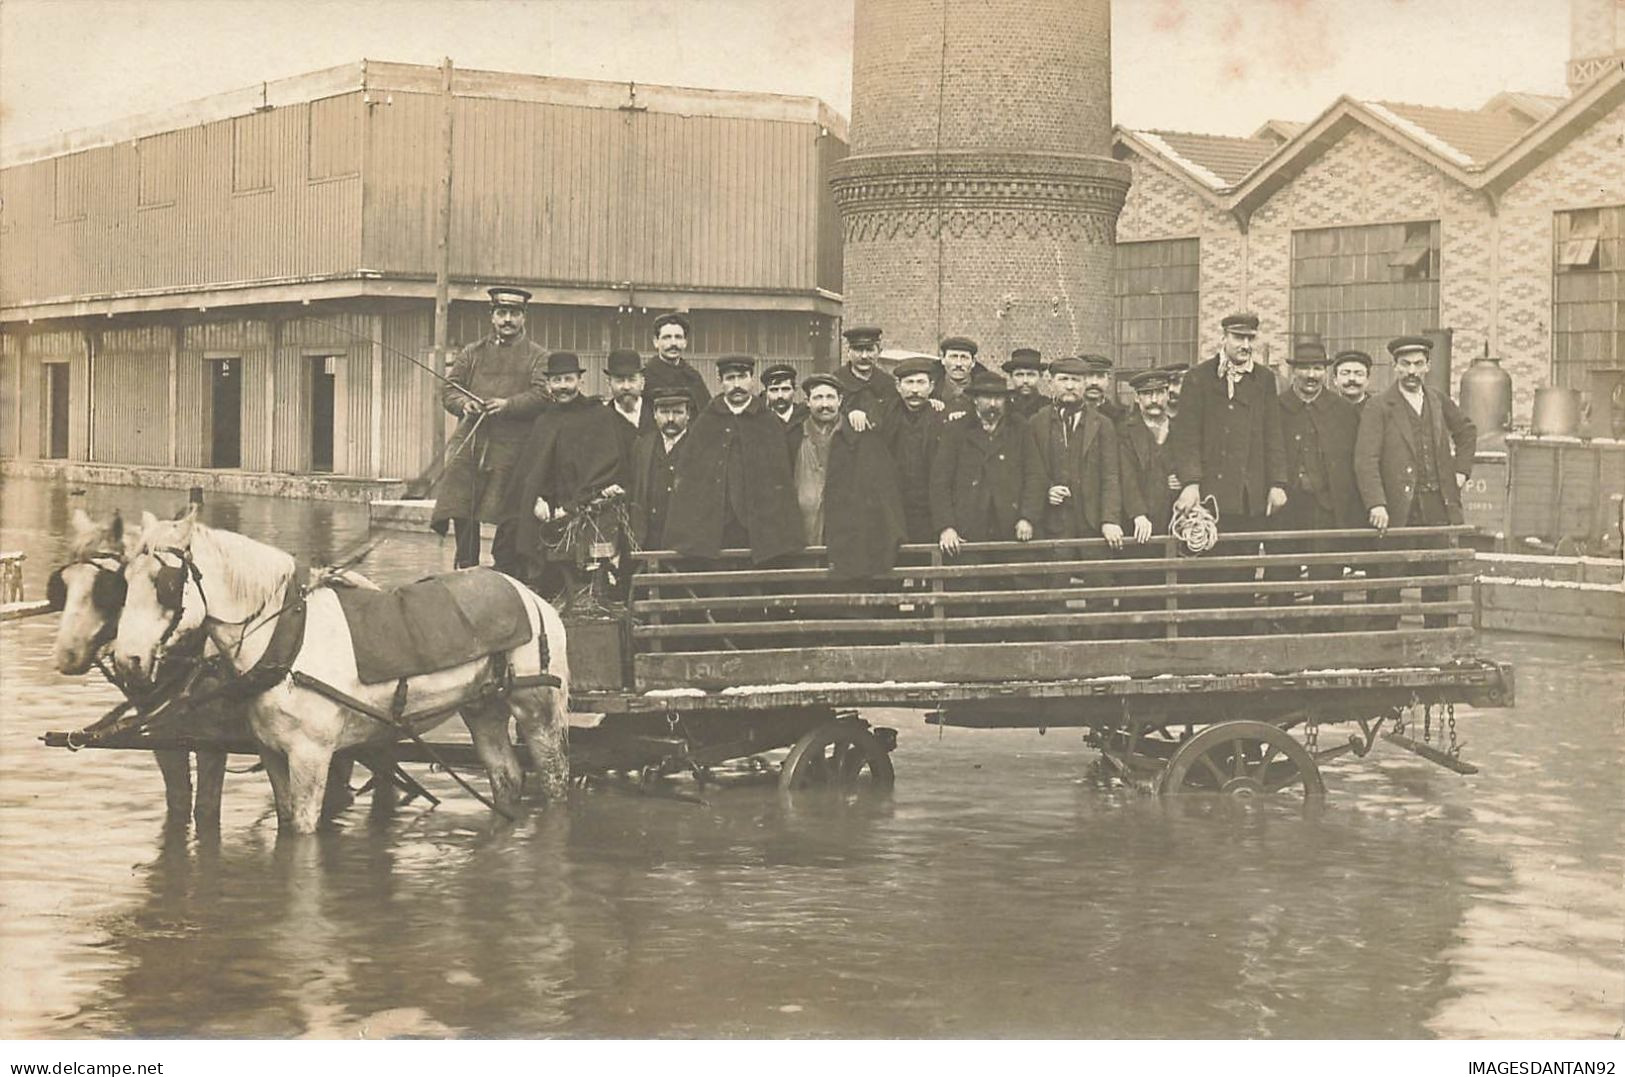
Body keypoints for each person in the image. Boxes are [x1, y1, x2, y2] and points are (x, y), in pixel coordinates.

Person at [1168, 312, 1288, 631]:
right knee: (1205, 574)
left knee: (1242, 574)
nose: (1245, 345)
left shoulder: (1263, 380)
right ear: (1223, 338)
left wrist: (1277, 483)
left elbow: (1274, 433)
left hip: (1248, 498)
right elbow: (1186, 435)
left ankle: (1236, 647)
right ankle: (1202, 648)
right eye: (1239, 338)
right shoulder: (1199, 378)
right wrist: (1191, 483)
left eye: (1250, 339)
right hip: (1210, 499)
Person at [1355, 336, 1477, 628]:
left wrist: (1460, 472)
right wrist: (1377, 503)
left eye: (1418, 364)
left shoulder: (1437, 400)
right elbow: (1365, 459)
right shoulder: (1380, 406)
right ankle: (1384, 650)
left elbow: (1467, 432)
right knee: (1387, 584)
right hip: (1397, 510)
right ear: (1395, 367)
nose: (1412, 371)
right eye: (1405, 364)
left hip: (1438, 507)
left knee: (1437, 583)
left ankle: (1437, 648)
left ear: (1428, 366)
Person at [431, 286, 550, 571]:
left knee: (508, 510)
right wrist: (464, 405)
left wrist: (507, 405)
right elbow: (450, 390)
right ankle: (465, 567)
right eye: (502, 313)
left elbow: (542, 394)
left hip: (513, 446)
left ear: (524, 318)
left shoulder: (538, 356)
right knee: (462, 505)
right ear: (492, 317)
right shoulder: (471, 353)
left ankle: (505, 570)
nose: (507, 319)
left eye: (514, 314)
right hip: (471, 441)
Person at [505, 351, 626, 600]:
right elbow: (532, 473)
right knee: (513, 534)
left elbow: (607, 466)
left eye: (568, 380)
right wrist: (536, 499)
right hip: (547, 512)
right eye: (557, 381)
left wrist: (574, 506)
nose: (563, 387)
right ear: (548, 384)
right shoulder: (544, 421)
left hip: (587, 510)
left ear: (580, 382)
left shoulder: (599, 416)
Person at [663, 355, 805, 564]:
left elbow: (780, 478)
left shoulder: (768, 422)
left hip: (759, 529)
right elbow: (690, 477)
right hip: (716, 528)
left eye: (742, 377)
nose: (736, 385)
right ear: (720, 381)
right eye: (730, 378)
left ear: (752, 380)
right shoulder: (706, 421)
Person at [1268, 339, 1364, 628]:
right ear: (1293, 371)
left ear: (1325, 372)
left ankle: (1327, 636)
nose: (1311, 376)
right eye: (1304, 369)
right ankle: (1281, 634)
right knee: (1281, 574)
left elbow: (1353, 463)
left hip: (1326, 508)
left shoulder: (1342, 411)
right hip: (1286, 509)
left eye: (1318, 368)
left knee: (1327, 575)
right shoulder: (1276, 408)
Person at [787, 373, 906, 578]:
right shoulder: (793, 437)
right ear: (807, 402)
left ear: (840, 401)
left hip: (847, 538)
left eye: (830, 397)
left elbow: (883, 491)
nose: (825, 404)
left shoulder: (861, 437)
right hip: (803, 532)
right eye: (818, 398)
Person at [930, 366, 1043, 553]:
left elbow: (1035, 475)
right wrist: (946, 526)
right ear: (975, 400)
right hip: (967, 528)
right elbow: (940, 482)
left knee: (1013, 580)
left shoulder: (1019, 429)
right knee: (969, 580)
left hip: (1012, 528)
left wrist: (1028, 517)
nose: (993, 403)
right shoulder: (956, 430)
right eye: (987, 398)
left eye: (999, 398)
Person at [1027, 355, 1123, 546]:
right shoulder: (1036, 423)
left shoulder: (1103, 425)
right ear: (1050, 382)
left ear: (1085, 383)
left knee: (1099, 575)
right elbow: (1030, 472)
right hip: (1052, 525)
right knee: (1056, 574)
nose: (1070, 386)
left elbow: (1111, 476)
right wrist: (1047, 491)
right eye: (1063, 379)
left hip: (1094, 525)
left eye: (1076, 380)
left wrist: (1109, 520)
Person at [1117, 369, 1182, 635]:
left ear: (1168, 394)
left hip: (1174, 523)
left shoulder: (1180, 429)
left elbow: (1192, 463)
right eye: (1147, 394)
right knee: (1136, 589)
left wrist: (1183, 481)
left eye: (1159, 393)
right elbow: (1125, 476)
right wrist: (1138, 514)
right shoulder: (1124, 432)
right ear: (1137, 399)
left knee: (1172, 588)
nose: (1154, 400)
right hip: (1139, 526)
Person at [883, 355, 944, 544]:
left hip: (930, 508)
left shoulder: (942, 418)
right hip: (896, 506)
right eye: (909, 383)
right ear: (898, 386)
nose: (915, 390)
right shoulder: (885, 418)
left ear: (931, 387)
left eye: (920, 382)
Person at [627, 387, 694, 551]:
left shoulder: (699, 446)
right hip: (648, 542)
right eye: (664, 412)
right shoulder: (642, 446)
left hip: (687, 543)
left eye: (678, 412)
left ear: (688, 414)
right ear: (655, 414)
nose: (670, 418)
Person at [834, 325, 900, 432]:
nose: (864, 356)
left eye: (869, 350)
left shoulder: (888, 384)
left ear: (879, 351)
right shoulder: (836, 382)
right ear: (848, 352)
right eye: (858, 350)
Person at [641, 312, 711, 409]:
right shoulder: (645, 377)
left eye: (678, 337)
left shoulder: (694, 377)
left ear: (685, 342)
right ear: (656, 342)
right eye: (667, 337)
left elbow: (705, 414)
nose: (673, 343)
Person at [604, 347, 653, 464]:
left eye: (632, 379)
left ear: (642, 383)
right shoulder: (601, 420)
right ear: (609, 384)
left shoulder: (655, 413)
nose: (626, 387)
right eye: (619, 380)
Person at [936, 336, 981, 413]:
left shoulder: (982, 391)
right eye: (953, 357)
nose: (958, 364)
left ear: (973, 362)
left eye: (964, 357)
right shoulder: (931, 390)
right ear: (943, 359)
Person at [1078, 353, 1128, 424]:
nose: (1094, 382)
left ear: (1108, 380)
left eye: (1100, 376)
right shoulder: (1067, 414)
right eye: (1089, 375)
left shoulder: (1120, 417)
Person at [760, 362, 807, 432]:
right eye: (774, 390)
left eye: (785, 389)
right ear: (766, 392)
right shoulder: (759, 421)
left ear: (795, 390)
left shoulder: (806, 418)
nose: (780, 395)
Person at [1003, 348, 1048, 419]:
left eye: (1031, 375)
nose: (1025, 381)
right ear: (1011, 376)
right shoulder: (1003, 406)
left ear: (1040, 376)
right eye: (1019, 375)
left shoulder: (1047, 407)